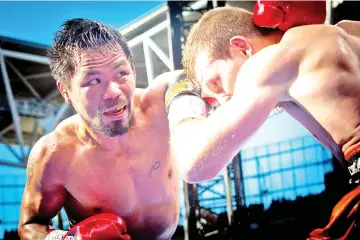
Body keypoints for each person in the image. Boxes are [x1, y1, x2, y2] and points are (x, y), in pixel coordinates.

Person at [165, 1, 360, 239]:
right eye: (213, 100)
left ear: (242, 48)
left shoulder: (269, 62)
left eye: (215, 82)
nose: (222, 100)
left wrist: (179, 97)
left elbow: (193, 164)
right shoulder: (349, 31)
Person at [17, 18, 187, 240]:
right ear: (66, 90)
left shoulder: (159, 109)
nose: (113, 92)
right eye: (93, 81)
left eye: (121, 73)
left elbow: (182, 81)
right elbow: (29, 226)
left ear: (133, 71)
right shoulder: (54, 154)